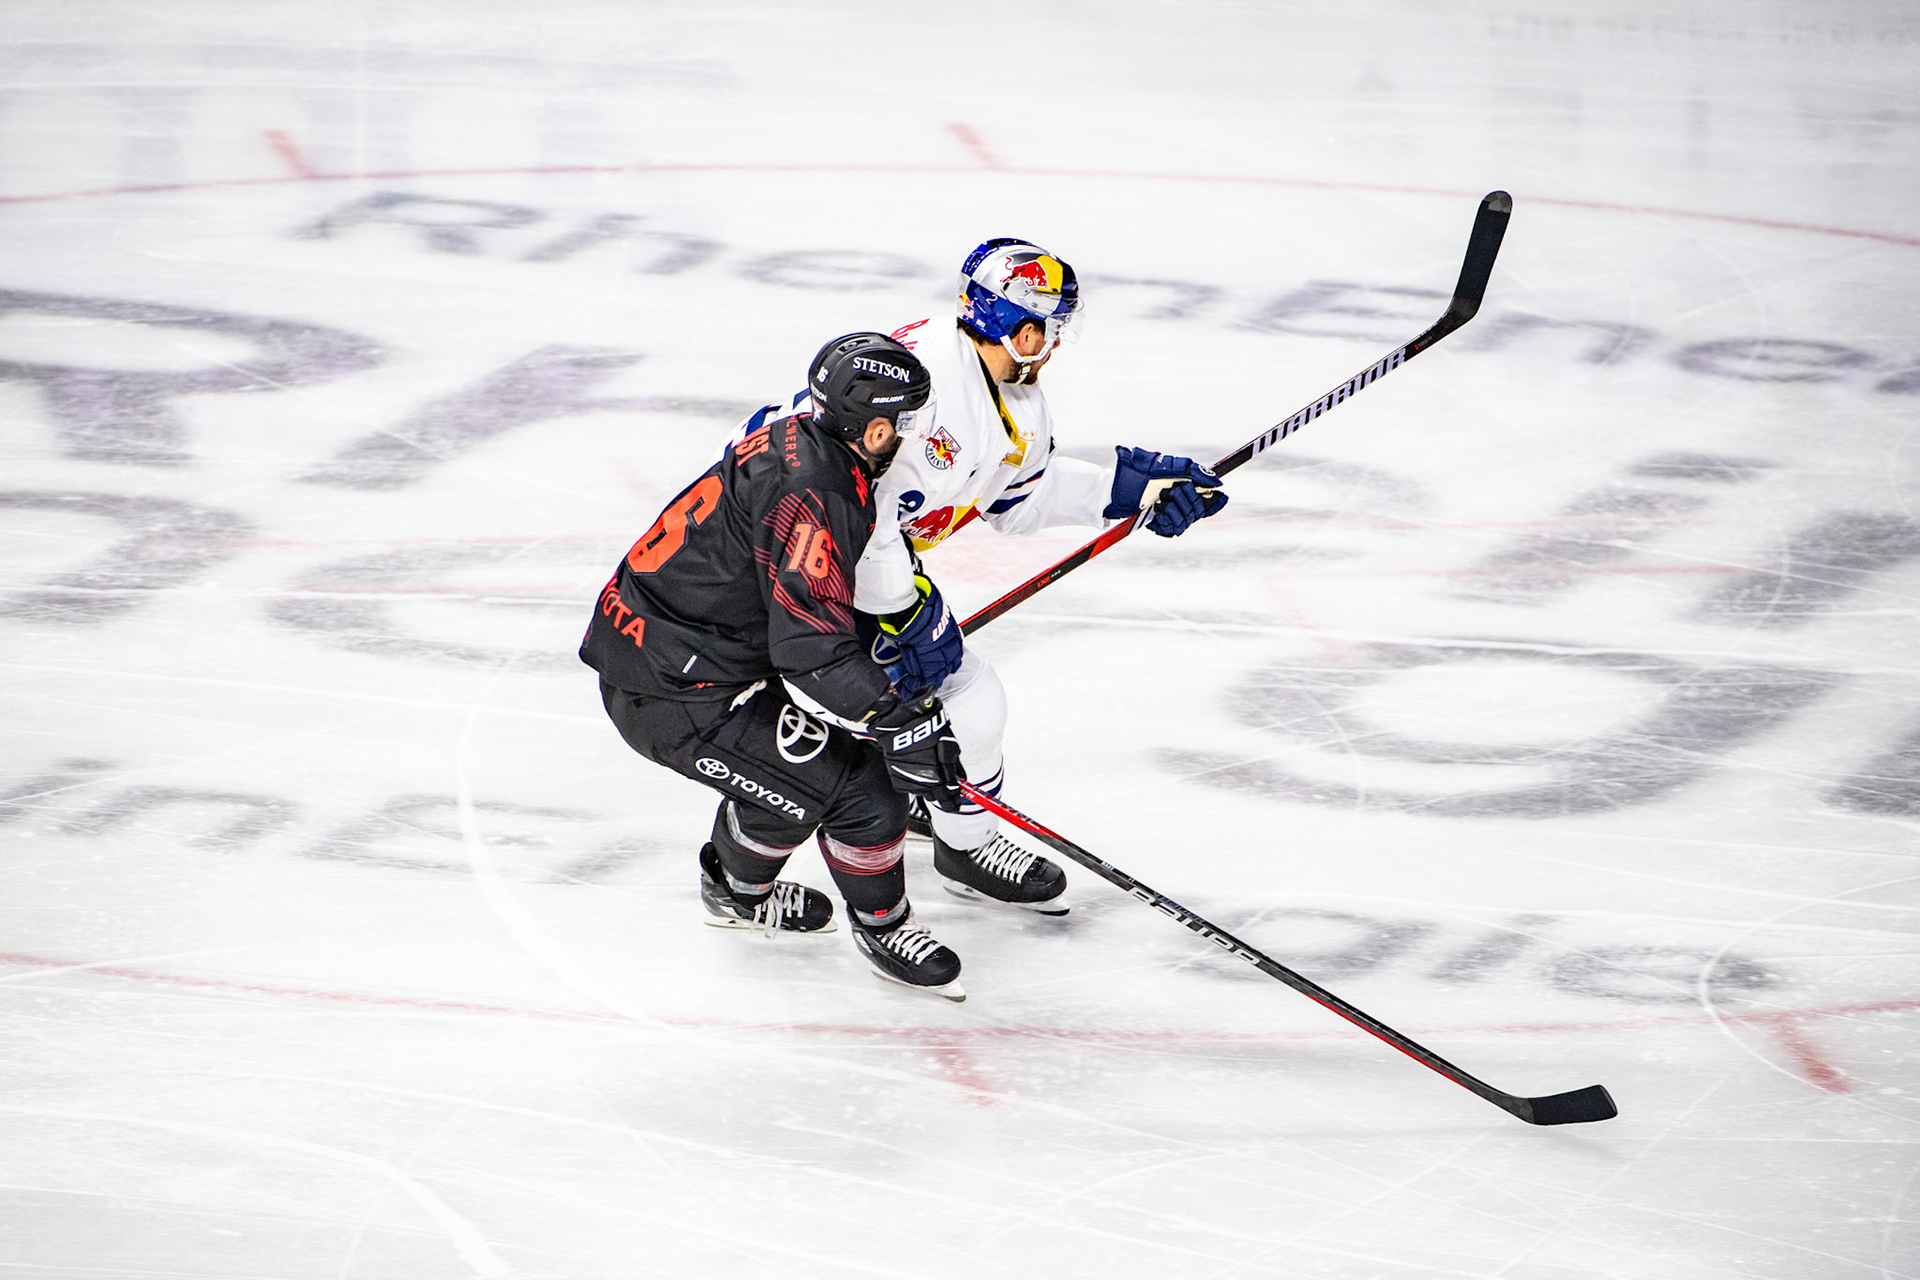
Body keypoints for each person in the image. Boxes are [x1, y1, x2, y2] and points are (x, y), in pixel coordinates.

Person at [579, 332, 970, 1000]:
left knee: (789, 782)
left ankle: (736, 891)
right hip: (676, 691)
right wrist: (898, 718)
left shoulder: (799, 439)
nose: (911, 438)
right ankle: (885, 926)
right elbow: (809, 651)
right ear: (875, 429)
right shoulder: (821, 493)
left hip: (664, 653)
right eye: (906, 424)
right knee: (861, 792)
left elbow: (790, 600)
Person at [854, 239, 1229, 915]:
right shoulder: (929, 389)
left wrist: (1131, 489)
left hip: (829, 557)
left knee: (910, 688)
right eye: (1049, 326)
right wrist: (900, 611)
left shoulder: (1007, 391)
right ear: (1016, 325)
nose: (1054, 342)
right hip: (794, 563)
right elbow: (852, 508)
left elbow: (1016, 498)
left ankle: (904, 789)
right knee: (969, 697)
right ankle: (966, 849)